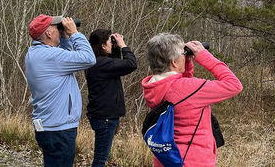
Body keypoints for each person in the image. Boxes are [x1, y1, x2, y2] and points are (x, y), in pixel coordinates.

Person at [142, 33, 243, 167]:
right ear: (174, 62)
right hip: (193, 159)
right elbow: (234, 85)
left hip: (167, 159)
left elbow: (183, 93)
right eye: (183, 54)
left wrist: (187, 62)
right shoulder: (187, 88)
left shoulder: (152, 85)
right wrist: (204, 56)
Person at [25, 14, 96, 167]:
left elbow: (65, 56)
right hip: (59, 130)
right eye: (57, 28)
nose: (60, 29)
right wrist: (74, 34)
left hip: (50, 126)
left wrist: (63, 38)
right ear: (48, 33)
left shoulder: (35, 53)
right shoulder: (50, 56)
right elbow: (89, 58)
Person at [86, 29, 137, 167]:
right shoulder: (101, 63)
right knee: (100, 159)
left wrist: (115, 47)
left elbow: (115, 63)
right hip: (105, 118)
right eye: (110, 41)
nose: (112, 43)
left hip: (103, 116)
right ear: (103, 46)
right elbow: (131, 64)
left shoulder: (97, 62)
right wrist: (123, 46)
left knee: (101, 157)